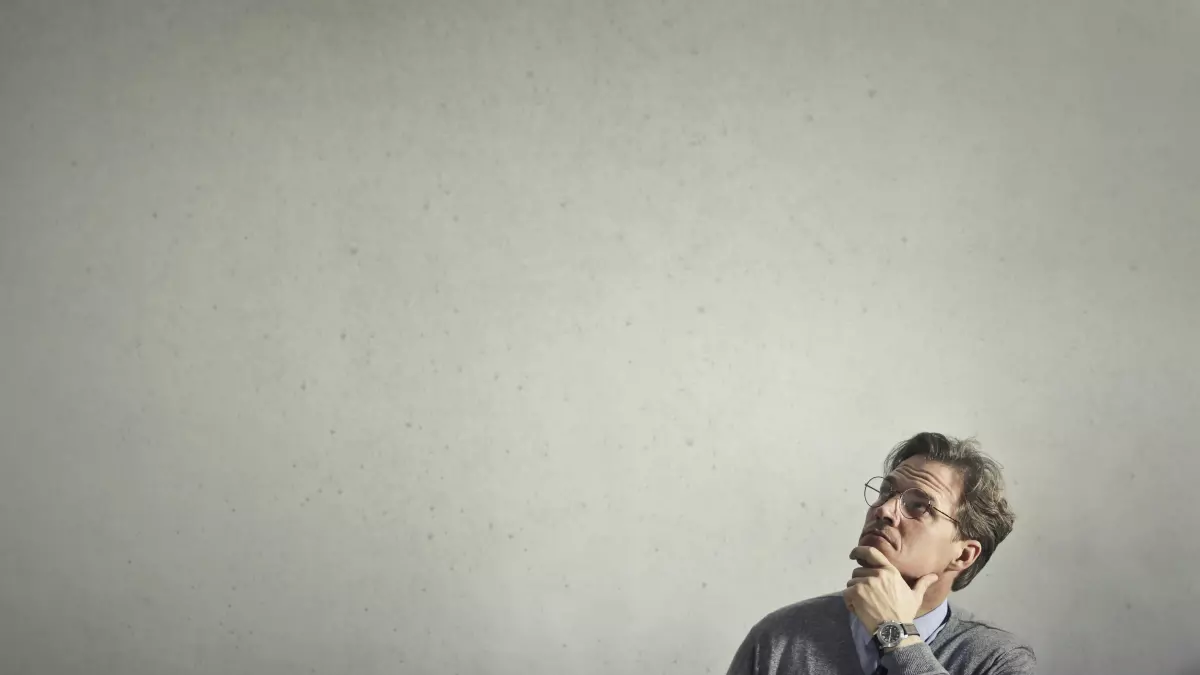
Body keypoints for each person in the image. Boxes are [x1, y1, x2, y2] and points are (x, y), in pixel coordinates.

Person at [725, 432, 1035, 675]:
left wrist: (897, 637)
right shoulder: (780, 637)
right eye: (887, 492)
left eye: (918, 505)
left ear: (964, 555)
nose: (884, 509)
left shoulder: (998, 659)